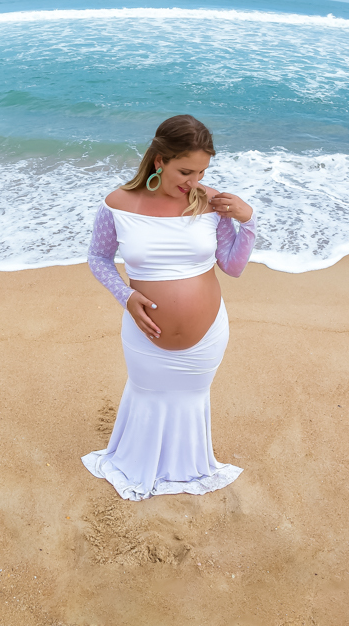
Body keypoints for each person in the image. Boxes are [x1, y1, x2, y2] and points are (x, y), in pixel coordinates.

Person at [82, 114, 257, 501]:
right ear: (160, 160)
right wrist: (126, 296)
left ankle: (187, 468)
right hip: (144, 335)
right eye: (186, 171)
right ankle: (138, 464)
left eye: (202, 172)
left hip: (207, 335)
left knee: (192, 398)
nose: (195, 182)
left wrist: (248, 221)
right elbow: (98, 258)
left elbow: (233, 266)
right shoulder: (118, 205)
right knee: (147, 395)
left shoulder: (212, 203)